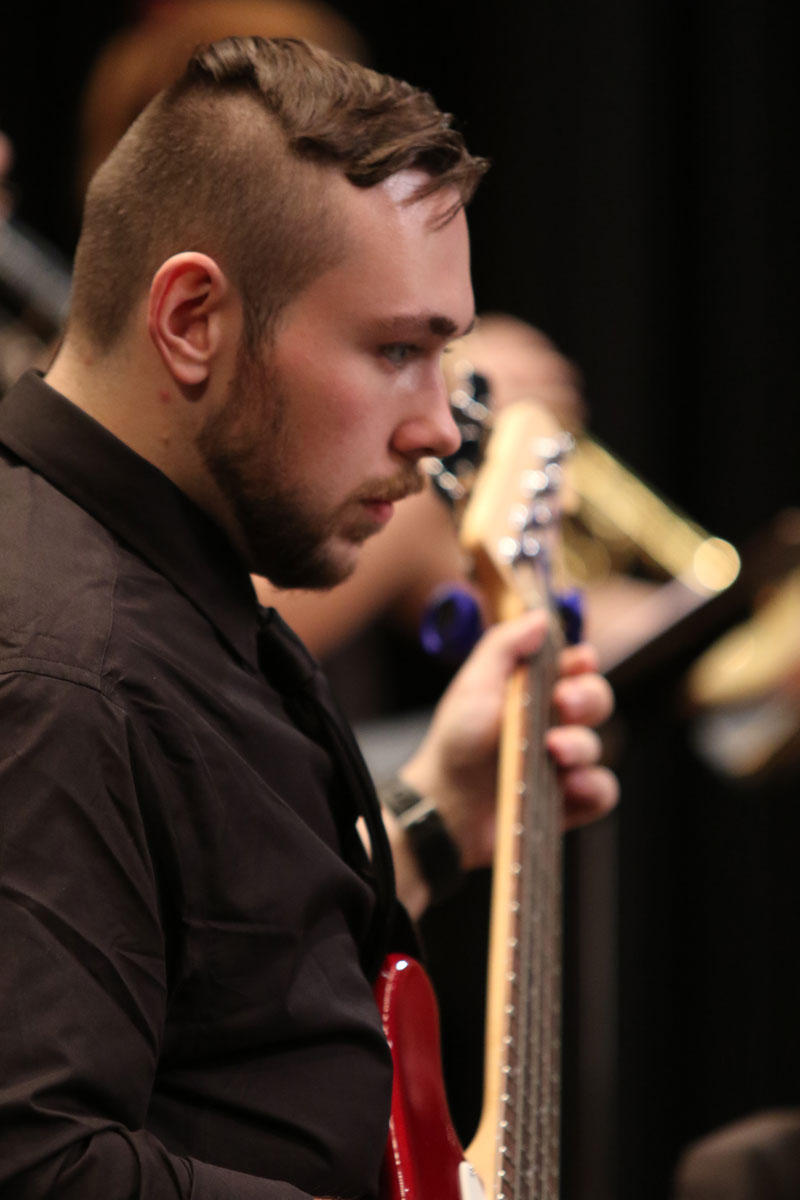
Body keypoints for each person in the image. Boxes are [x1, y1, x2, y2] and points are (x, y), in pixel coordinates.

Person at [0, 37, 616, 1197]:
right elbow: (42, 1168)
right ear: (191, 319)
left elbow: (229, 1000)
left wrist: (437, 815)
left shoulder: (177, 582)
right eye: (395, 350)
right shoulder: (56, 676)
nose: (440, 427)